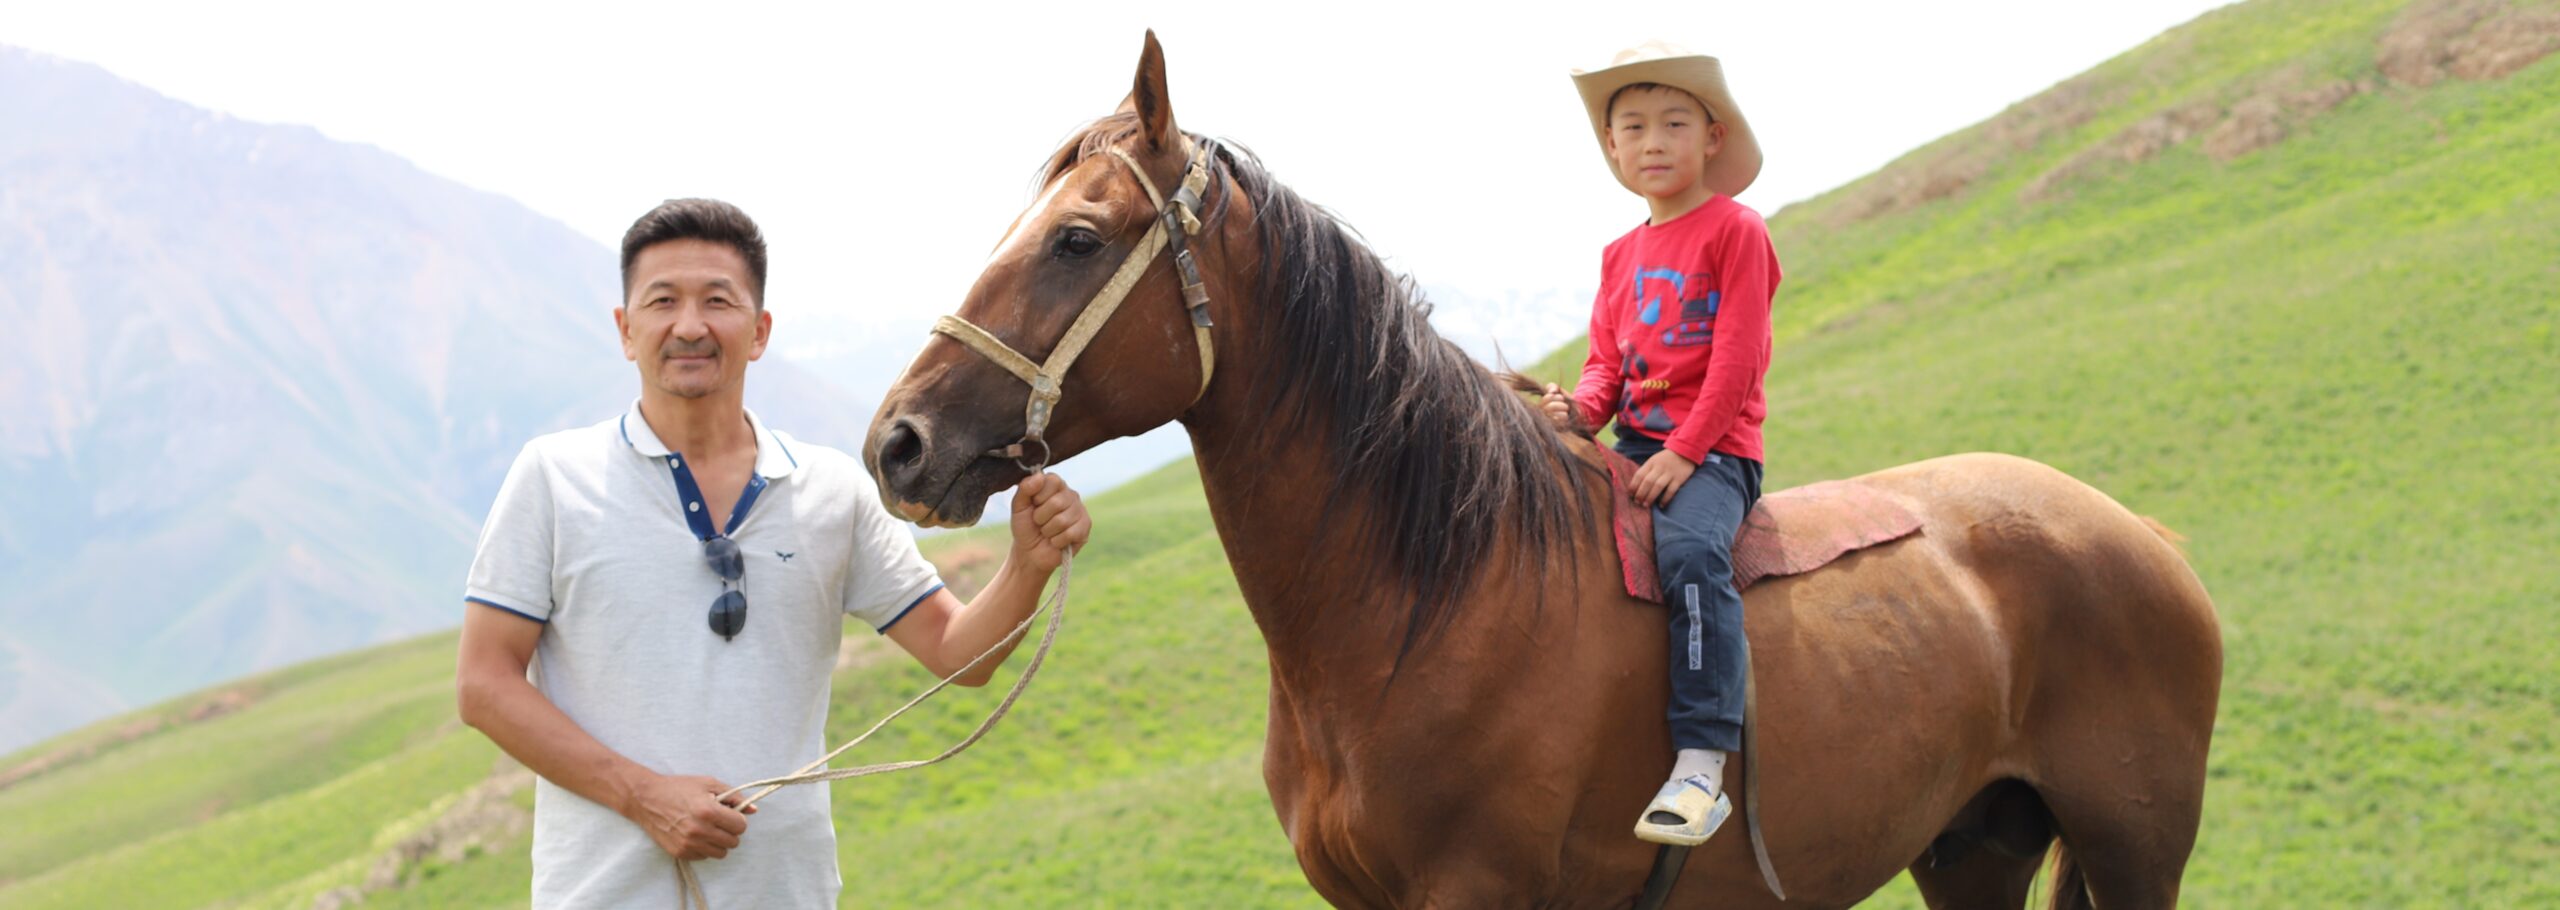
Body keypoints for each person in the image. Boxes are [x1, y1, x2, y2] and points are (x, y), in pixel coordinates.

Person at [455, 198, 1090, 906]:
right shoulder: (552, 478)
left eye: (717, 301)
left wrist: (1027, 564)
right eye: (662, 301)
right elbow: (484, 685)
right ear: (625, 330)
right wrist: (642, 796)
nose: (689, 325)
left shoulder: (831, 491)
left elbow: (957, 653)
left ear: (758, 332)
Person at [1542, 42, 1781, 847]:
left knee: (1690, 555)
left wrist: (1685, 450)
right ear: (1611, 147)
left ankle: (1702, 763)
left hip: (1715, 453)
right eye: (1635, 127)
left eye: (1675, 124)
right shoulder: (1620, 254)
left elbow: (1740, 360)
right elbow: (1606, 365)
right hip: (1633, 444)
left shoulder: (1737, 231)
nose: (1654, 142)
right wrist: (1578, 413)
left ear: (1711, 139)